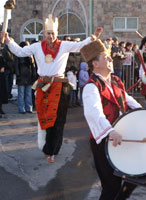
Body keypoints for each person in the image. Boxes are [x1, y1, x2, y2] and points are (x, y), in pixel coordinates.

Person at [1, 14, 102, 163]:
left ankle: (52, 150)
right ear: (44, 34)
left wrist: (93, 37)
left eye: (53, 33)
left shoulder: (64, 45)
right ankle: (47, 146)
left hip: (60, 85)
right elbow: (21, 52)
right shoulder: (37, 46)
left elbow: (80, 45)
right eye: (48, 33)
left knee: (58, 119)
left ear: (57, 33)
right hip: (43, 85)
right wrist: (9, 40)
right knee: (44, 116)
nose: (50, 36)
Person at [81, 39, 142, 200]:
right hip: (103, 141)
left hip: (121, 137)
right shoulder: (91, 86)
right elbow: (94, 113)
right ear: (95, 64)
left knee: (136, 175)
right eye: (105, 57)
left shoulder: (115, 80)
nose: (110, 59)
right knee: (111, 186)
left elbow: (127, 99)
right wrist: (110, 131)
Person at [15, 41, 37, 114]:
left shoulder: (30, 55)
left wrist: (34, 75)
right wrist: (18, 75)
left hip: (29, 76)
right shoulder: (18, 55)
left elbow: (33, 66)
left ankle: (29, 108)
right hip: (21, 76)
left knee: (28, 93)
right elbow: (16, 66)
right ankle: (21, 109)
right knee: (21, 94)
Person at [0, 53, 8, 118]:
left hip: (1, 78)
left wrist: (3, 67)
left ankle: (0, 109)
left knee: (1, 94)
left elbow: (4, 67)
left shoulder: (1, 57)